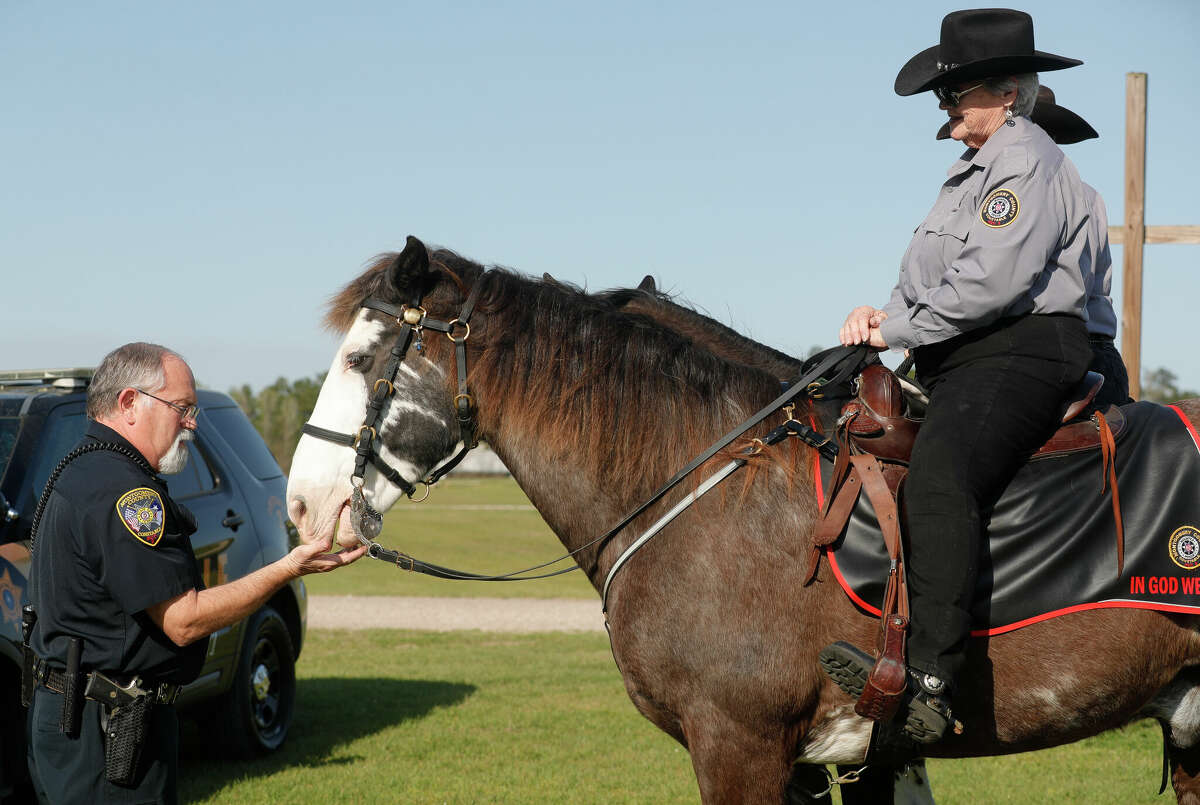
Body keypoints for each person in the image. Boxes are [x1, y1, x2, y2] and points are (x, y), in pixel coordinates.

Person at [820, 9, 1097, 743]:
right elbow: (927, 280)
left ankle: (928, 684)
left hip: (1018, 350)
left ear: (1005, 94)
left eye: (954, 93)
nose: (943, 109)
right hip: (962, 350)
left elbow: (989, 283)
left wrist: (896, 331)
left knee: (941, 479)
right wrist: (878, 316)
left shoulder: (1025, 160)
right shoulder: (967, 176)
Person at [25, 342, 366, 803]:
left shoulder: (82, 465)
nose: (192, 423)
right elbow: (183, 621)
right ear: (129, 402)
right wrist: (288, 567)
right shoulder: (123, 492)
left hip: (77, 719)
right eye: (181, 408)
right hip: (106, 732)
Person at [938, 85, 1133, 408]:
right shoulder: (1085, 193)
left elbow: (992, 282)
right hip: (1096, 352)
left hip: (1044, 354)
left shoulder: (1026, 190)